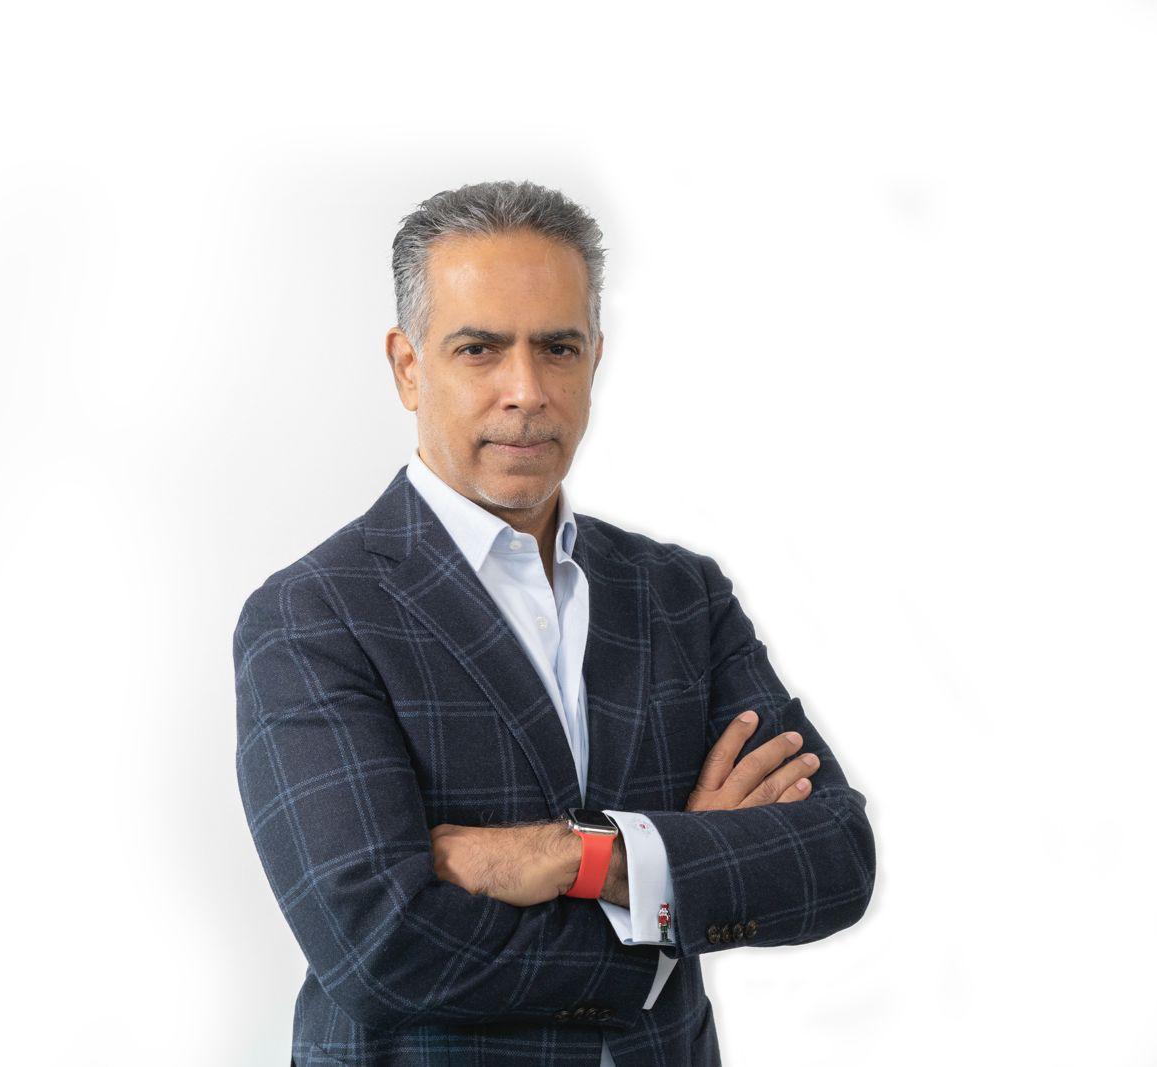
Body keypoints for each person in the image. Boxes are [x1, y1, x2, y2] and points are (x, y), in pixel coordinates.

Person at [233, 179, 875, 1066]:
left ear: (596, 357)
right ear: (407, 364)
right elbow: (379, 944)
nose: (526, 390)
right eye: (480, 349)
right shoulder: (314, 616)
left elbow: (835, 855)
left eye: (558, 348)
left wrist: (582, 858)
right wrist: (668, 897)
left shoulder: (679, 595)